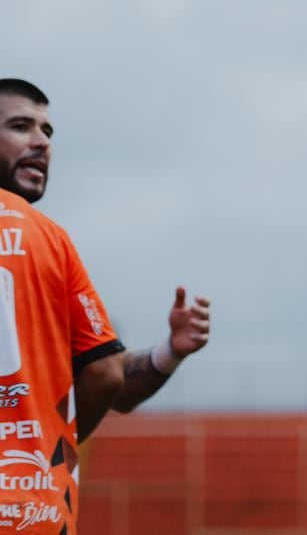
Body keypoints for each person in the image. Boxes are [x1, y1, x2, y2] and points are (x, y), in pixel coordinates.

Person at [0, 79, 212, 533]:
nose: (41, 141)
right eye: (20, 126)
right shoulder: (49, 240)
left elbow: (107, 373)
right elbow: (105, 375)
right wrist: (51, 450)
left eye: (48, 131)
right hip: (30, 510)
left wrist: (168, 351)